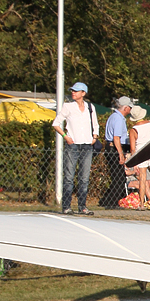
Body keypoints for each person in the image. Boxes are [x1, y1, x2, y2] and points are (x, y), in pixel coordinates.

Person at [53, 81, 100, 215]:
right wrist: (65, 137)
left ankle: (82, 206)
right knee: (69, 176)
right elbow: (56, 123)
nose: (73, 93)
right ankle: (66, 206)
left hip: (87, 145)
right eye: (72, 91)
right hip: (72, 145)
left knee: (84, 177)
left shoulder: (90, 107)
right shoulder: (68, 107)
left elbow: (95, 124)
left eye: (76, 91)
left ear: (83, 93)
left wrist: (94, 137)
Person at [127, 106, 150, 210]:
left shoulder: (134, 130)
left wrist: (134, 163)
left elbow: (133, 149)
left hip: (141, 154)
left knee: (142, 179)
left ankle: (142, 204)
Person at [102, 97, 133, 209]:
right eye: (129, 108)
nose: (130, 110)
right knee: (119, 178)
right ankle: (111, 202)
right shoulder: (119, 119)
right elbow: (116, 138)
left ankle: (108, 200)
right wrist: (120, 153)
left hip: (111, 148)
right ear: (125, 108)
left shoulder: (113, 117)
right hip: (115, 149)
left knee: (117, 176)